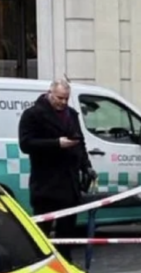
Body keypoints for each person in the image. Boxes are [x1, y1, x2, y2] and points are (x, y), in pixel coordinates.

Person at [18, 78, 96, 262]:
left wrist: (87, 166)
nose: (63, 102)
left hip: (69, 184)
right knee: (42, 234)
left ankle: (66, 265)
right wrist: (56, 143)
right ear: (50, 93)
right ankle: (40, 266)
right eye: (60, 98)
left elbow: (80, 142)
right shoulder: (33, 114)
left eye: (66, 98)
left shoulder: (72, 114)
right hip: (46, 184)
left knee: (67, 234)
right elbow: (26, 144)